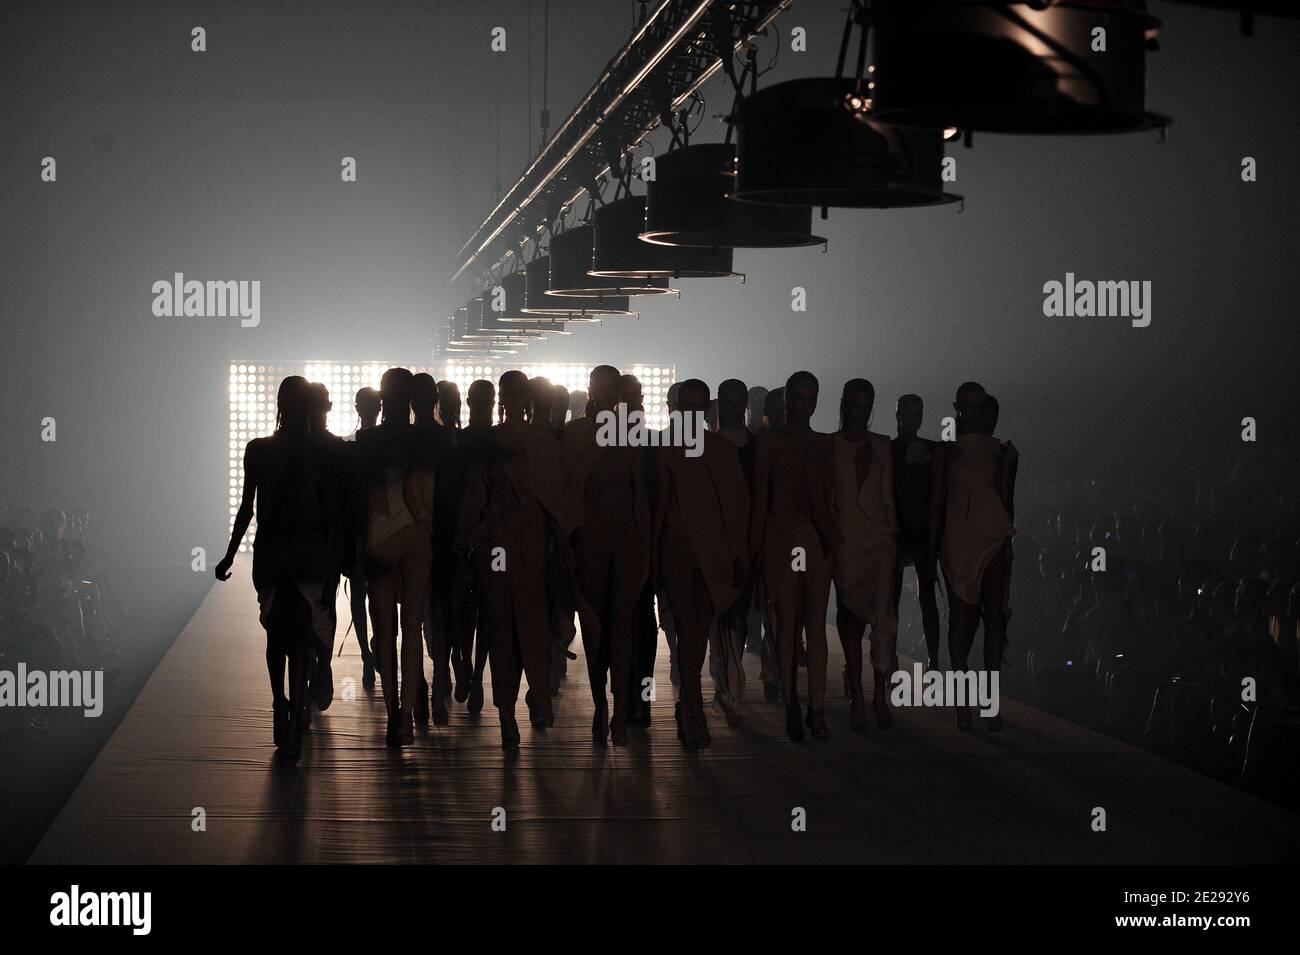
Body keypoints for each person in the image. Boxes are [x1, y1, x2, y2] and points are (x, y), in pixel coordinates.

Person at [215, 376, 345, 759]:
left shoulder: (259, 450)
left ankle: (281, 705)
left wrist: (229, 553)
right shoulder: (322, 454)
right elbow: (330, 513)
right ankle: (296, 710)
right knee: (300, 633)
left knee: (277, 633)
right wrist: (335, 557)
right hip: (306, 552)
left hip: (274, 552)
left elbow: (247, 508)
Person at [457, 371, 566, 749]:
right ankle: (525, 703)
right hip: (527, 544)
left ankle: (509, 713)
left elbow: (474, 496)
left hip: (500, 546)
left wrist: (464, 539)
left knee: (503, 623)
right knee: (526, 625)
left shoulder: (492, 441)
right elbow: (558, 504)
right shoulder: (544, 443)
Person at [654, 379, 750, 748]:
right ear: (676, 409)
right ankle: (692, 706)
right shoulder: (665, 450)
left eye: (698, 407)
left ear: (705, 409)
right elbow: (659, 507)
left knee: (695, 629)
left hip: (713, 552)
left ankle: (689, 704)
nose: (692, 414)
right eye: (687, 407)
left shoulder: (720, 451)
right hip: (678, 550)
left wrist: (740, 553)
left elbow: (738, 507)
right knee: (688, 627)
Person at [563, 365, 651, 745]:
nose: (610, 392)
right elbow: (570, 485)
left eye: (615, 387)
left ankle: (617, 710)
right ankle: (603, 704)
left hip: (626, 535)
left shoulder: (629, 432)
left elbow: (640, 492)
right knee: (597, 626)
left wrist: (648, 542)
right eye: (603, 386)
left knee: (621, 623)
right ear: (590, 389)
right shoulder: (577, 432)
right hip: (592, 535)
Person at [354, 368, 437, 747]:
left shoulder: (367, 440)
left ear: (383, 398)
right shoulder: (427, 440)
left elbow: (357, 497)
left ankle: (392, 713)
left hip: (379, 537)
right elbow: (432, 496)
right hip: (418, 536)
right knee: (413, 625)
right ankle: (404, 717)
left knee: (385, 628)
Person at [752, 372, 835, 741]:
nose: (805, 405)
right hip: (786, 536)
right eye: (799, 398)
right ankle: (793, 704)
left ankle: (814, 708)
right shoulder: (771, 442)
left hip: (811, 537)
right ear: (787, 400)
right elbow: (760, 498)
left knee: (813, 625)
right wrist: (756, 545)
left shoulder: (821, 443)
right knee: (789, 624)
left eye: (810, 398)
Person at [931, 391, 1017, 730]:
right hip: (959, 537)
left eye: (990, 413)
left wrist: (1009, 542)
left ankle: (990, 702)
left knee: (995, 617)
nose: (984, 419)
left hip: (994, 534)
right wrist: (931, 548)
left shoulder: (1004, 452)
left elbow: (1008, 500)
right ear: (964, 412)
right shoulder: (948, 451)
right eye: (978, 412)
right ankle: (961, 700)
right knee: (962, 620)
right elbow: (936, 502)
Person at [831, 379, 899, 732]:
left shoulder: (883, 445)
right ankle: (858, 695)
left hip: (879, 541)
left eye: (867, 404)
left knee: (883, 618)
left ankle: (877, 696)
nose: (861, 411)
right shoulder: (831, 447)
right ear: (844, 405)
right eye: (855, 404)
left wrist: (894, 536)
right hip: (846, 542)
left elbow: (888, 496)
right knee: (850, 619)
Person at [709, 378, 758, 726]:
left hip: (745, 543)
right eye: (728, 401)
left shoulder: (756, 448)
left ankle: (728, 685)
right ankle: (729, 687)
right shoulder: (707, 447)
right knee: (723, 616)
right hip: (715, 543)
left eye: (739, 401)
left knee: (735, 617)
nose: (734, 407)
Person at [454, 379, 497, 714]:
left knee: (467, 612)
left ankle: (465, 664)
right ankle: (475, 672)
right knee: (483, 612)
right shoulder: (497, 442)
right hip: (490, 539)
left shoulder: (459, 442)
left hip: (464, 538)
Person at [891, 394, 941, 670]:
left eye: (916, 414)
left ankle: (932, 659)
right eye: (907, 414)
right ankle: (896, 659)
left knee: (925, 598)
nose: (911, 420)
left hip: (918, 530)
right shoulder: (891, 450)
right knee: (897, 599)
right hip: (901, 530)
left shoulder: (929, 450)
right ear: (898, 415)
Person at [621, 373, 658, 727]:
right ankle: (639, 701)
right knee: (642, 631)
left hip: (632, 548)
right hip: (639, 547)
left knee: (634, 629)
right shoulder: (651, 445)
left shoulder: (608, 444)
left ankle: (630, 701)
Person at [344, 387, 381, 687]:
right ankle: (373, 651)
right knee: (376, 595)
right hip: (378, 528)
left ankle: (369, 655)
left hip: (359, 529)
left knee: (360, 596)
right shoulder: (388, 445)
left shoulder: (348, 447)